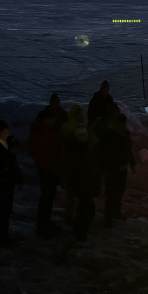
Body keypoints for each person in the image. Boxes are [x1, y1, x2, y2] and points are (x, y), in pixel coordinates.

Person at [27, 96, 66, 238]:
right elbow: (36, 151)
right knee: (46, 197)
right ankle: (42, 226)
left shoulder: (49, 130)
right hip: (45, 169)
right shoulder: (40, 131)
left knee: (49, 197)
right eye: (52, 120)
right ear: (47, 119)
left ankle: (46, 222)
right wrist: (48, 165)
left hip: (51, 168)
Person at [61, 105, 96, 245]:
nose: (83, 137)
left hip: (86, 182)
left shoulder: (85, 147)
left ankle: (80, 229)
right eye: (81, 135)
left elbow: (91, 166)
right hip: (81, 183)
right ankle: (80, 232)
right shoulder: (75, 149)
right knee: (85, 208)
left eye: (84, 135)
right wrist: (74, 183)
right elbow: (73, 169)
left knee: (86, 207)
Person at [99, 112, 135, 227]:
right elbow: (103, 154)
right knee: (111, 193)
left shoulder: (125, 134)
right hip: (112, 169)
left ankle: (116, 212)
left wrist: (132, 163)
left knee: (120, 191)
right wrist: (104, 168)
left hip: (122, 168)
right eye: (120, 123)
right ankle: (108, 218)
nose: (122, 125)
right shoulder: (109, 135)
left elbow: (129, 150)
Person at [0, 120, 23, 246]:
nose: (7, 134)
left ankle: (3, 235)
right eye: (5, 132)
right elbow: (3, 164)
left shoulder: (4, 143)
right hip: (1, 184)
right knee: (1, 212)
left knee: (5, 211)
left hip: (7, 183)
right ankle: (0, 237)